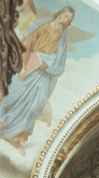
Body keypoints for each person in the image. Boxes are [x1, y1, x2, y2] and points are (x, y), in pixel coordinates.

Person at [0, 7, 75, 150]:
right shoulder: (42, 26)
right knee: (12, 95)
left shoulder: (63, 40)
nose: (65, 19)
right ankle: (3, 124)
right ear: (59, 14)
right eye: (64, 15)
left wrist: (48, 66)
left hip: (43, 75)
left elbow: (60, 63)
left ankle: (18, 135)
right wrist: (24, 66)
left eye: (68, 19)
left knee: (35, 105)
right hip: (29, 66)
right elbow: (27, 45)